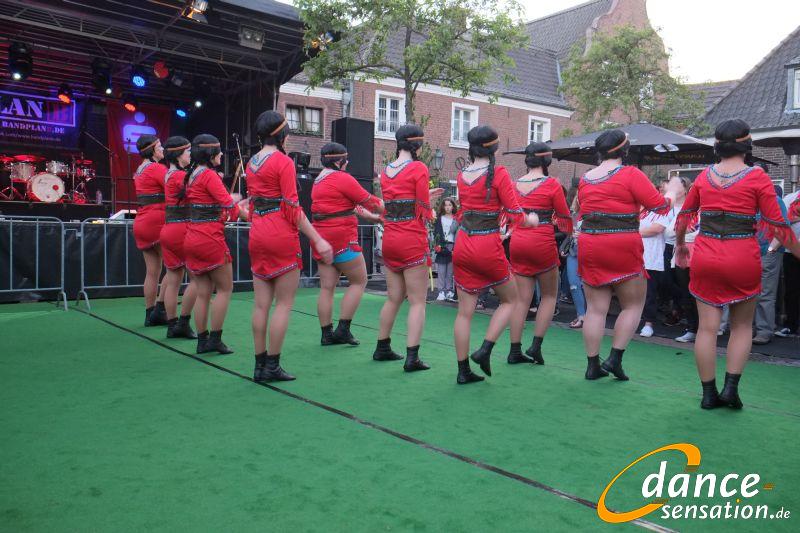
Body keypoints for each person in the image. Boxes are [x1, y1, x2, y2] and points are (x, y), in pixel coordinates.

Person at [676, 119, 795, 409]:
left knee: (707, 329)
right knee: (741, 327)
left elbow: (684, 217)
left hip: (705, 255)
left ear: (717, 145)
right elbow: (778, 226)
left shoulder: (704, 176)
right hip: (742, 256)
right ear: (747, 144)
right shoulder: (757, 177)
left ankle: (708, 395)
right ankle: (730, 390)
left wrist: (680, 245)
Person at [577, 129, 681, 381]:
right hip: (622, 244)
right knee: (633, 305)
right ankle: (614, 359)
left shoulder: (585, 178)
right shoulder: (631, 174)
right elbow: (659, 206)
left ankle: (592, 365)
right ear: (624, 150)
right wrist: (673, 191)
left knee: (595, 309)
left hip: (590, 244)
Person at [242, 111, 333, 382]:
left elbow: (253, 203)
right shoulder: (283, 162)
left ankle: (259, 365)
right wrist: (317, 238)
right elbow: (293, 208)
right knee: (283, 304)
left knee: (261, 305)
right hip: (279, 233)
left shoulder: (251, 163)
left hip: (257, 232)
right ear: (281, 135)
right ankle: (272, 366)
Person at [452, 125, 538, 384]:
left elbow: (463, 212)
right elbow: (516, 214)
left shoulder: (462, 175)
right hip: (487, 245)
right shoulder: (498, 173)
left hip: (462, 243)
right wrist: (532, 220)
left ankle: (463, 370)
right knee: (511, 300)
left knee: (464, 313)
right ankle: (485, 349)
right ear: (494, 148)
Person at [374, 125, 443, 371]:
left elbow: (398, 201)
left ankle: (382, 347)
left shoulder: (386, 171)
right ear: (416, 145)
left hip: (391, 238)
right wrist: (430, 201)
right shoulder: (418, 168)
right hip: (411, 239)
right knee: (417, 302)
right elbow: (424, 210)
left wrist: (425, 197)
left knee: (393, 298)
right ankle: (412, 357)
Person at [312, 142, 384, 346]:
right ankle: (343, 329)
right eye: (345, 159)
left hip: (321, 238)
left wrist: (373, 218)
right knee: (359, 281)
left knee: (327, 288)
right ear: (338, 161)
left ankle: (326, 334)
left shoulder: (319, 180)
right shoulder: (342, 178)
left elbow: (349, 206)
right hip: (342, 237)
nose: (348, 162)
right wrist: (399, 209)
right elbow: (371, 201)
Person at [508, 142, 572, 365]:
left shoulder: (514, 185)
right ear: (547, 160)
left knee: (521, 300)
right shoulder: (552, 184)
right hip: (542, 241)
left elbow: (509, 214)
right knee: (549, 296)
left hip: (518, 241)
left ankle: (514, 350)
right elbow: (564, 216)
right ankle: (535, 346)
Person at [182, 134, 242, 354]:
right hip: (209, 238)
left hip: (192, 236)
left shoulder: (192, 175)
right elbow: (229, 207)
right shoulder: (209, 175)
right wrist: (241, 206)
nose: (222, 154)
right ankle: (215, 339)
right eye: (219, 151)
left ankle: (202, 341)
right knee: (225, 289)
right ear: (210, 154)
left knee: (203, 292)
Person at [159, 136, 197, 339]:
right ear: (178, 154)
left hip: (169, 229)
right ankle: (183, 322)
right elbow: (197, 195)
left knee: (173, 280)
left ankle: (172, 325)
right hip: (182, 229)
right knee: (198, 279)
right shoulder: (179, 176)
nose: (190, 154)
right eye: (188, 151)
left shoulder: (169, 174)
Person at [132, 134, 168, 327]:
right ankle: (159, 310)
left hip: (142, 221)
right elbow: (174, 188)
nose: (163, 149)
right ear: (152, 149)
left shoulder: (139, 170)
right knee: (175, 268)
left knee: (152, 271)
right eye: (160, 146)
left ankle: (149, 313)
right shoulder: (156, 169)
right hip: (156, 221)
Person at [752, 185, 789, 345]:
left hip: (769, 252)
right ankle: (753, 328)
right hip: (751, 253)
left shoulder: (775, 201)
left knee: (765, 293)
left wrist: (770, 249)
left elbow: (783, 227)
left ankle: (764, 331)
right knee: (751, 293)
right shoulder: (750, 201)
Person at [637, 206, 668, 338]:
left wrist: (632, 232)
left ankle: (648, 323)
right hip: (634, 256)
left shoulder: (662, 210)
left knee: (649, 293)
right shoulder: (638, 209)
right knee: (633, 292)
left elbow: (656, 229)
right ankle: (633, 320)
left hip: (651, 258)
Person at [433, 198, 458, 302]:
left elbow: (458, 233)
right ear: (443, 207)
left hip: (452, 245)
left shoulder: (456, 219)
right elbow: (436, 233)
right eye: (446, 205)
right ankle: (441, 291)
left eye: (449, 205)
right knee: (442, 270)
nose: (447, 207)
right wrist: (438, 245)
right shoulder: (440, 219)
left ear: (453, 207)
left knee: (450, 271)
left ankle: (449, 291)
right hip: (442, 245)